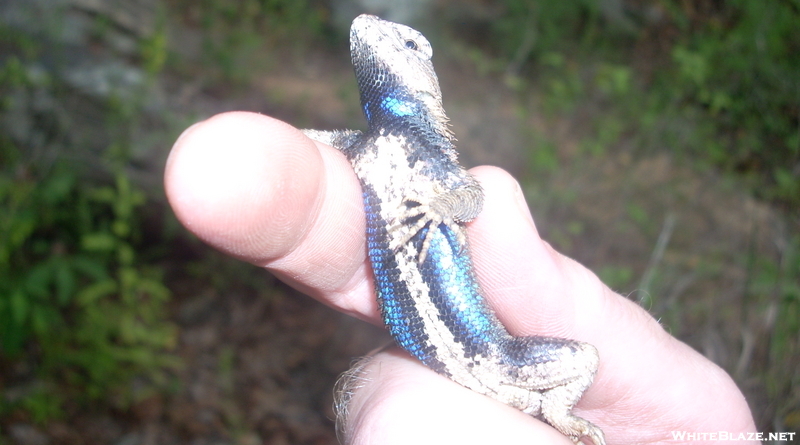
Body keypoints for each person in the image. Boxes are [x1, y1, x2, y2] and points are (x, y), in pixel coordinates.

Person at [164, 111, 757, 444]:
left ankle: (553, 409)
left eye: (405, 43)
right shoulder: (371, 144)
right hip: (446, 344)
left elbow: (473, 197)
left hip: (495, 361)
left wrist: (560, 413)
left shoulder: (426, 145)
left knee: (580, 360)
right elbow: (315, 146)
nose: (375, 37)